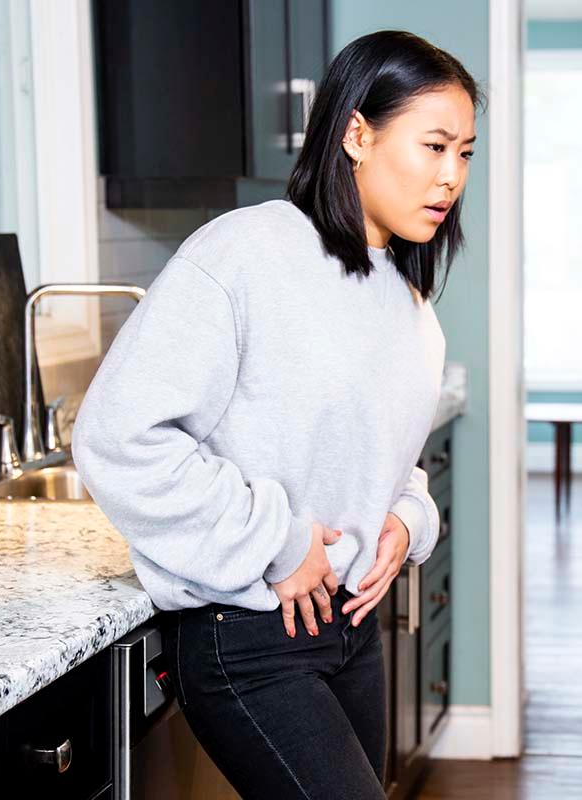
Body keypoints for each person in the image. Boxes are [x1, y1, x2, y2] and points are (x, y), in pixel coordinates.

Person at [70, 29, 483, 800]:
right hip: (250, 636)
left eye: (464, 153)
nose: (450, 175)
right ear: (357, 133)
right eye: (433, 146)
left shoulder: (407, 298)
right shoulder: (247, 253)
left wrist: (405, 518)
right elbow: (116, 438)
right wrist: (280, 542)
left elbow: (387, 457)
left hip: (352, 634)